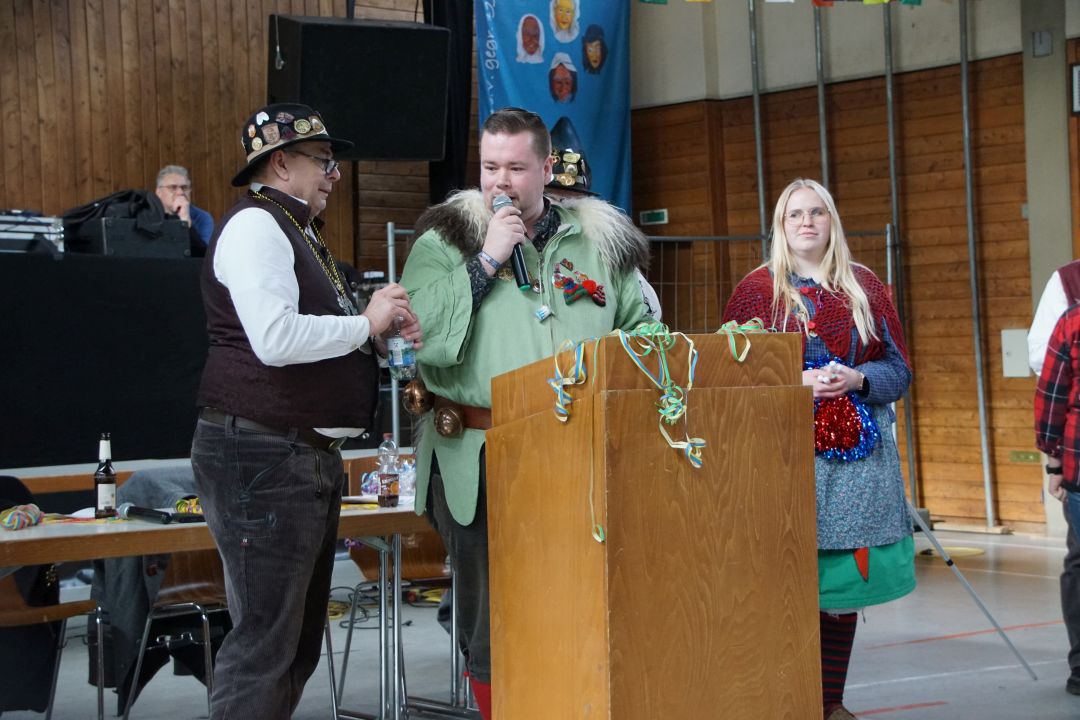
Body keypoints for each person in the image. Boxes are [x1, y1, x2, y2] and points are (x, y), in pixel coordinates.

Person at [399, 106, 651, 719]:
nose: (501, 182)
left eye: (515, 167)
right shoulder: (442, 242)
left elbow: (641, 329)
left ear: (544, 169)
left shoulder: (598, 242)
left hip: (578, 458)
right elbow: (421, 335)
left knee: (579, 605)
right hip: (479, 457)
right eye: (490, 167)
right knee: (490, 621)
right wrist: (486, 259)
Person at [190, 102, 421, 720]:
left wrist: (377, 335)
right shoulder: (256, 227)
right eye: (323, 161)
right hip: (265, 451)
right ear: (280, 163)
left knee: (292, 644)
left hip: (292, 454)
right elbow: (275, 338)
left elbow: (312, 331)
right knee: (267, 643)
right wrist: (364, 323)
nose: (334, 175)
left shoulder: (297, 231)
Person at [721, 178, 914, 720]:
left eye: (816, 212)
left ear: (832, 220)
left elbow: (899, 371)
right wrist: (793, 382)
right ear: (780, 226)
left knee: (837, 591)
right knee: (779, 583)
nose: (806, 222)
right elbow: (727, 375)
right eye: (795, 214)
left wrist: (857, 378)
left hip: (852, 463)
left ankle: (829, 704)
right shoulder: (756, 292)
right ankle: (779, 702)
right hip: (779, 455)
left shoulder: (866, 287)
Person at [1029, 259, 1080, 696]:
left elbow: (1051, 393)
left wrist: (1053, 461)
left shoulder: (1074, 318)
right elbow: (1043, 365)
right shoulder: (1067, 281)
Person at [155, 165, 214, 246]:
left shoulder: (202, 217)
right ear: (159, 192)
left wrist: (186, 221)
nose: (180, 192)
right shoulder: (149, 216)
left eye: (184, 187)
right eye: (173, 187)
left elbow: (205, 252)